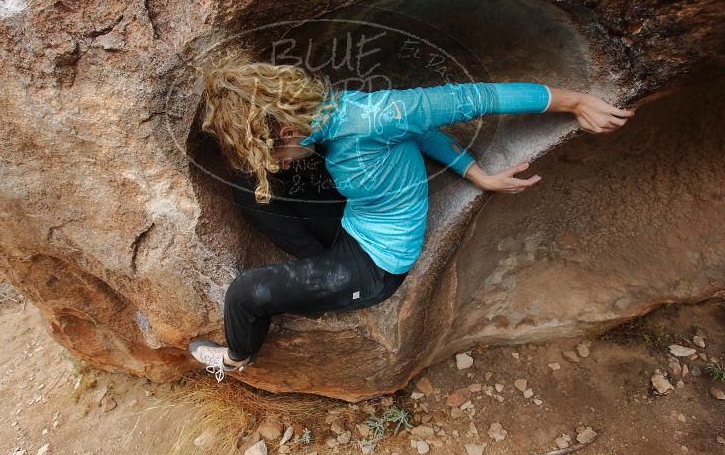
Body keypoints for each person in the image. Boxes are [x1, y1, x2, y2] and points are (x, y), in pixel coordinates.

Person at [188, 48, 635, 382]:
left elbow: (474, 98)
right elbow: (416, 134)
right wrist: (474, 172)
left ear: (287, 128)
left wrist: (574, 102)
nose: (279, 160)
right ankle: (313, 281)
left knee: (245, 294)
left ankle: (237, 359)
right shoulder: (331, 110)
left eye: (276, 150)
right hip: (355, 221)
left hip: (374, 265)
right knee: (250, 188)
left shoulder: (377, 115)